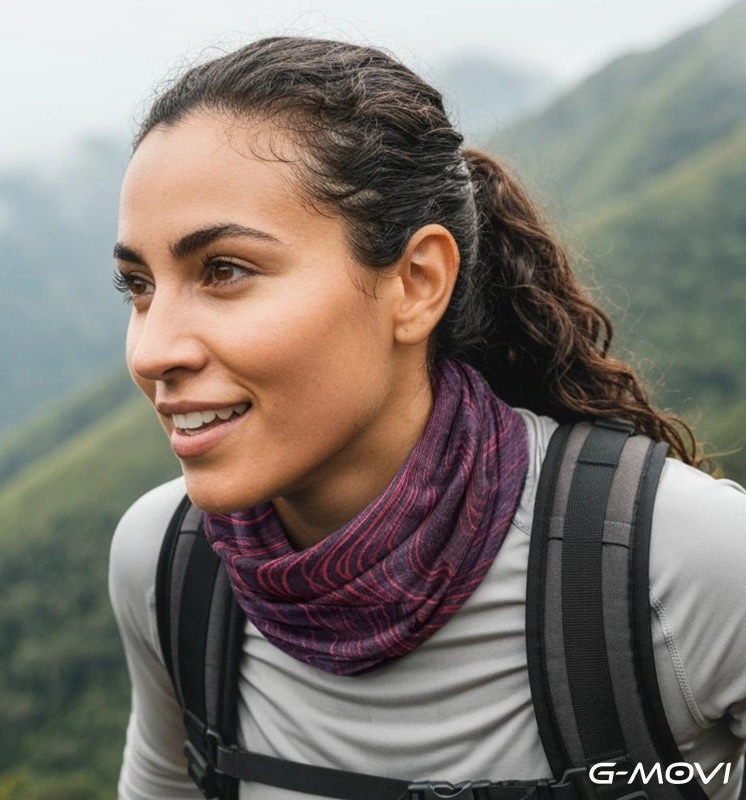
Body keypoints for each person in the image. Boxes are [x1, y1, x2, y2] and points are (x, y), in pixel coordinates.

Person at [108, 36, 746, 800]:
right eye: (138, 286)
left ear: (416, 283)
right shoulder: (168, 565)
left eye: (225, 270)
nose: (152, 350)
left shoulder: (681, 564)